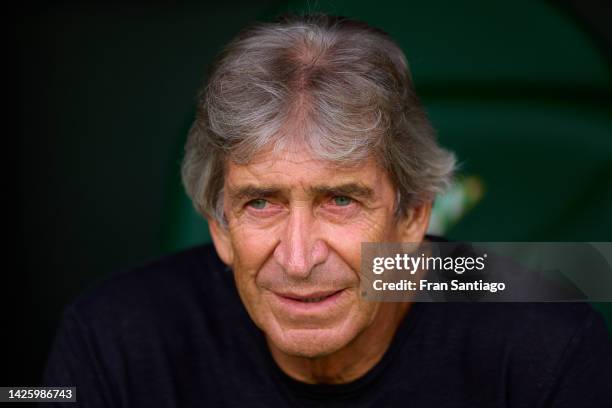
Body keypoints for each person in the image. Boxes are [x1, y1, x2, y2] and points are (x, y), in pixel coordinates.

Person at [42, 14, 612, 407]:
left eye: (340, 200)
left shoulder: (546, 341)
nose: (297, 258)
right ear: (218, 225)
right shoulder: (112, 337)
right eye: (260, 202)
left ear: (413, 216)